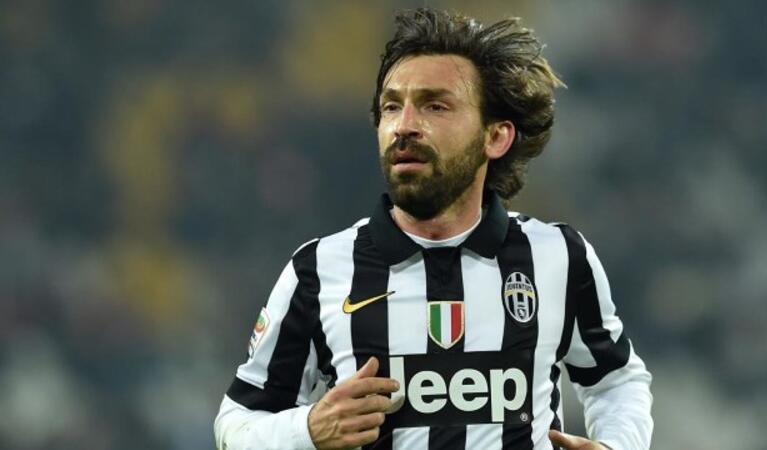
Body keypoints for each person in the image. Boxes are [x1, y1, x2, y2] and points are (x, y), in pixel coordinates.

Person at [214, 7, 653, 450]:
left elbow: (616, 381)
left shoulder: (557, 257)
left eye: (435, 105)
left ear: (495, 137)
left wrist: (616, 446)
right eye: (391, 107)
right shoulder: (319, 269)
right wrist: (307, 430)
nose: (404, 126)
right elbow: (236, 423)